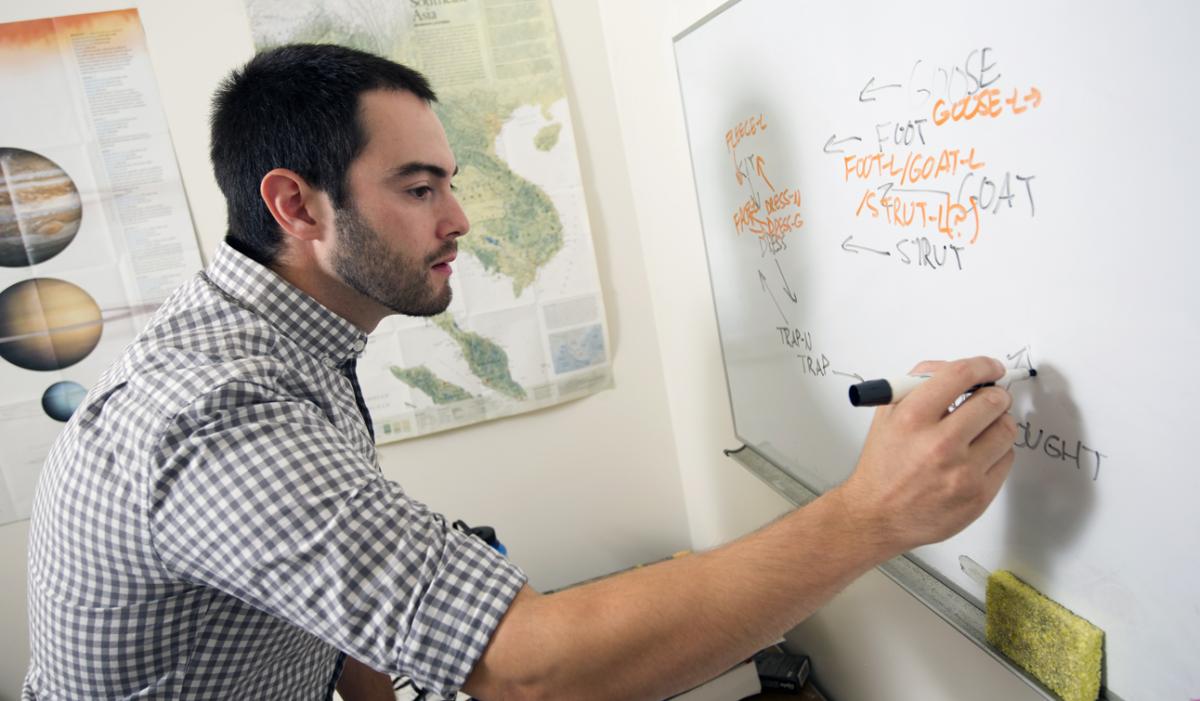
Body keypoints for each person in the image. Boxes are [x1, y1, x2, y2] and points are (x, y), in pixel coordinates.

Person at [23, 43, 1017, 700]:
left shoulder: (291, 338)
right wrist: (872, 515)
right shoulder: (220, 409)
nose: (458, 218)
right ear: (298, 205)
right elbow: (523, 670)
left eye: (450, 181)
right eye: (419, 187)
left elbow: (338, 594)